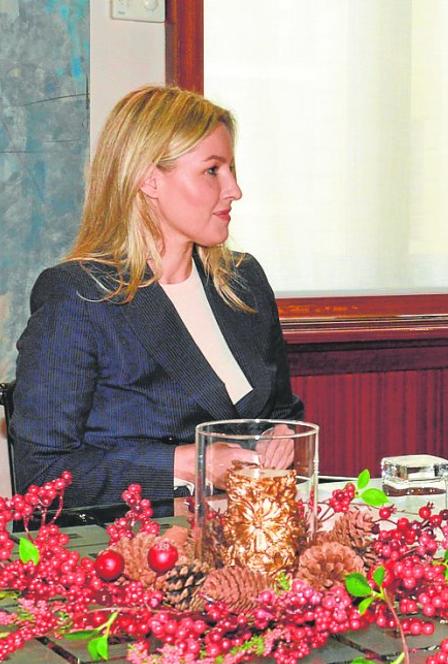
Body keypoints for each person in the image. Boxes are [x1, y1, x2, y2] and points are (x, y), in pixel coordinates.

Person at [11, 85, 303, 509]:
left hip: (253, 533)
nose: (234, 190)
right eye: (212, 170)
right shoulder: (79, 297)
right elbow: (42, 474)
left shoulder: (242, 281)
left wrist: (284, 436)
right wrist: (190, 463)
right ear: (149, 179)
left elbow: (282, 412)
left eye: (231, 169)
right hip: (136, 549)